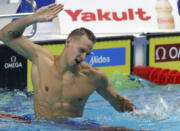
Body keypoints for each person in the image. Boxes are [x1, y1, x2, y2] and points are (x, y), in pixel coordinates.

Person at [0, 3, 136, 121]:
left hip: (73, 129)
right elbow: (5, 35)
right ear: (68, 41)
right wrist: (33, 18)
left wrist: (139, 112)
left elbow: (117, 101)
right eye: (81, 50)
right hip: (40, 128)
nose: (82, 56)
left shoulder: (94, 77)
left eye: (87, 54)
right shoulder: (41, 60)